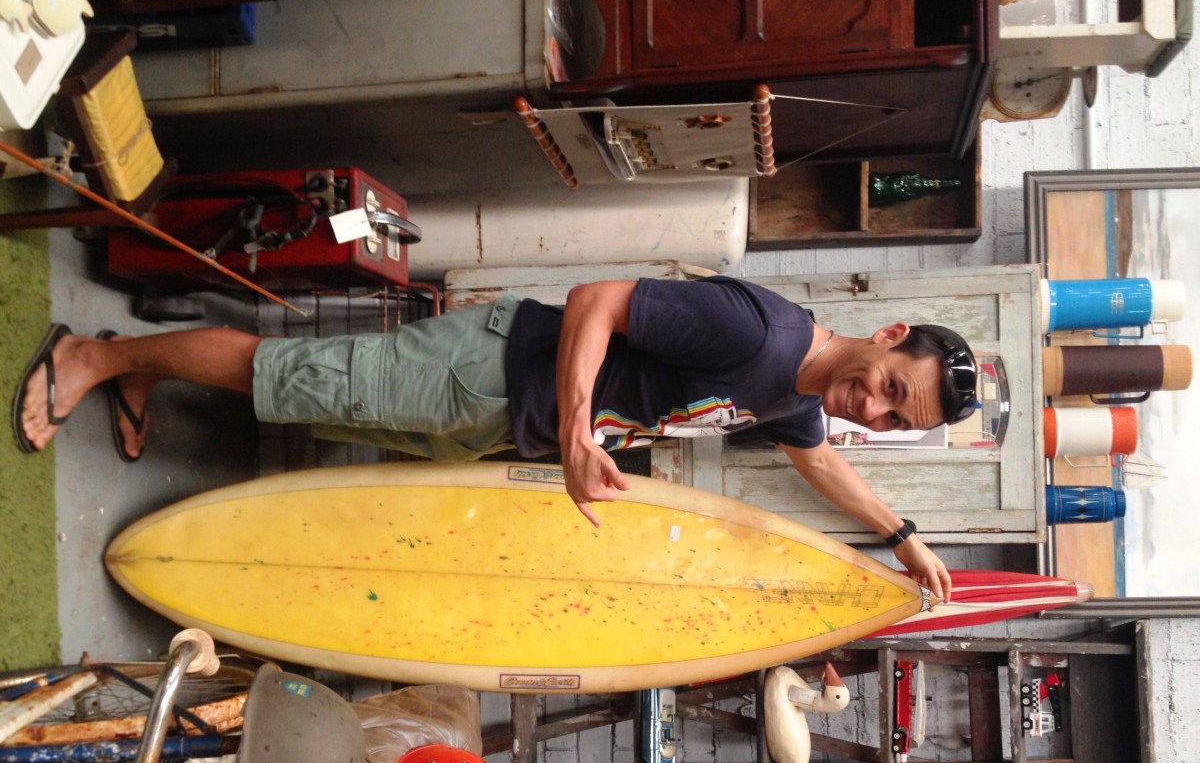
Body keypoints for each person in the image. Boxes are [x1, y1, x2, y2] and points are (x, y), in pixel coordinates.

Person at [13, 276, 976, 599]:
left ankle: (139, 367)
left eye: (895, 419)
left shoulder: (797, 397)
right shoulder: (758, 335)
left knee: (303, 404)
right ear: (889, 333)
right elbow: (599, 301)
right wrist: (576, 434)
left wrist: (902, 537)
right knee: (286, 373)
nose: (874, 409)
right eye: (892, 388)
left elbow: (821, 458)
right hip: (491, 370)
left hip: (495, 423)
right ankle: (93, 355)